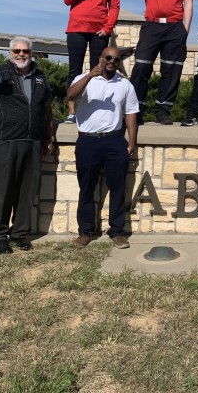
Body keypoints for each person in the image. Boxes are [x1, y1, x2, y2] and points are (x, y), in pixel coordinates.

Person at [0, 36, 53, 254]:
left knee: (27, 191)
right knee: (3, 190)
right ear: (10, 53)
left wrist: (48, 136)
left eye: (25, 51)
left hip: (33, 141)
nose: (21, 54)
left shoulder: (40, 77)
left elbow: (46, 108)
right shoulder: (0, 73)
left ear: (31, 53)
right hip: (5, 140)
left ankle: (19, 234)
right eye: (17, 51)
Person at [67, 46, 139, 249]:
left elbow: (131, 113)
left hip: (114, 140)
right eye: (108, 57)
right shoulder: (85, 78)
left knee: (118, 187)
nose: (112, 62)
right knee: (87, 187)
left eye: (116, 60)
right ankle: (86, 231)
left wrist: (131, 141)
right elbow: (71, 95)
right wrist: (90, 75)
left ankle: (117, 231)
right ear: (100, 58)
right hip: (88, 141)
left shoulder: (125, 84)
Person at [63, 0, 120, 123]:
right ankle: (72, 112)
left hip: (99, 33)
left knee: (99, 70)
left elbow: (115, 5)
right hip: (76, 30)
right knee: (75, 70)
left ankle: (93, 109)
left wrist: (108, 27)